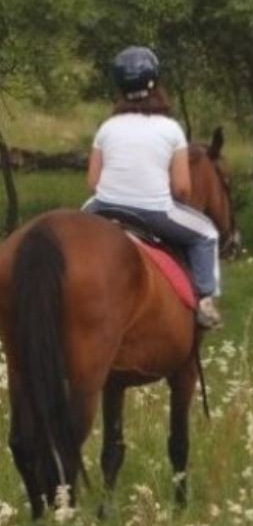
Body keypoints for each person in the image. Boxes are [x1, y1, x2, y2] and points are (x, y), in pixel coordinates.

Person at [84, 46, 223, 328]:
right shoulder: (170, 129)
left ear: (120, 87)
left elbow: (93, 183)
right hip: (152, 212)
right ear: (155, 84)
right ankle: (206, 302)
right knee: (206, 233)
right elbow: (182, 188)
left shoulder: (107, 128)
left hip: (103, 207)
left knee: (75, 227)